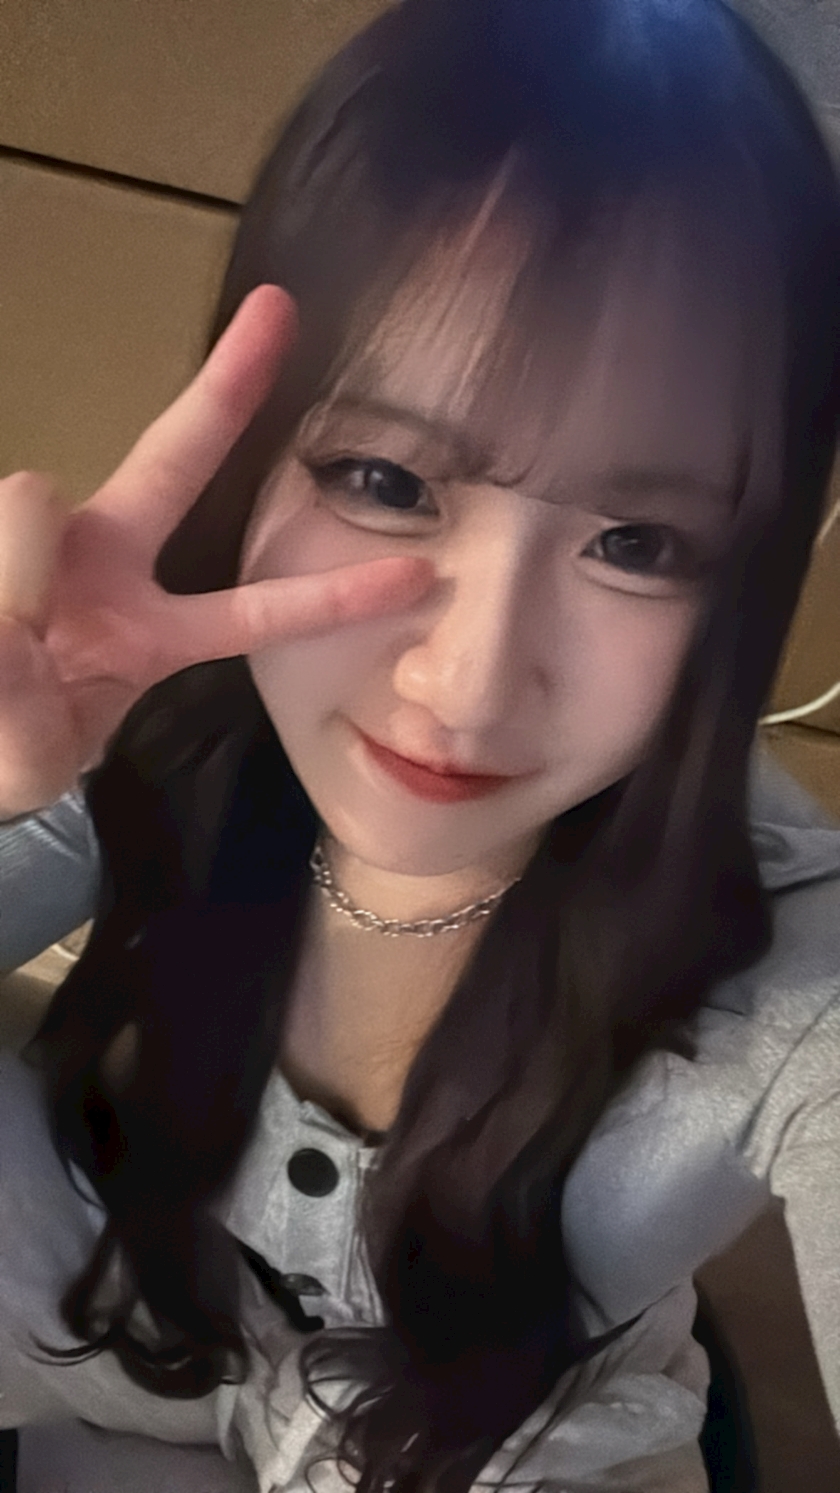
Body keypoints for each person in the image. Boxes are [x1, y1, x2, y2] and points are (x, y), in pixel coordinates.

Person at [0, 1, 838, 1489]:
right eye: (385, 478)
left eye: (638, 542)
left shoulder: (798, 961)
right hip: (132, 1332)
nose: (466, 684)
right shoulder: (164, 721)